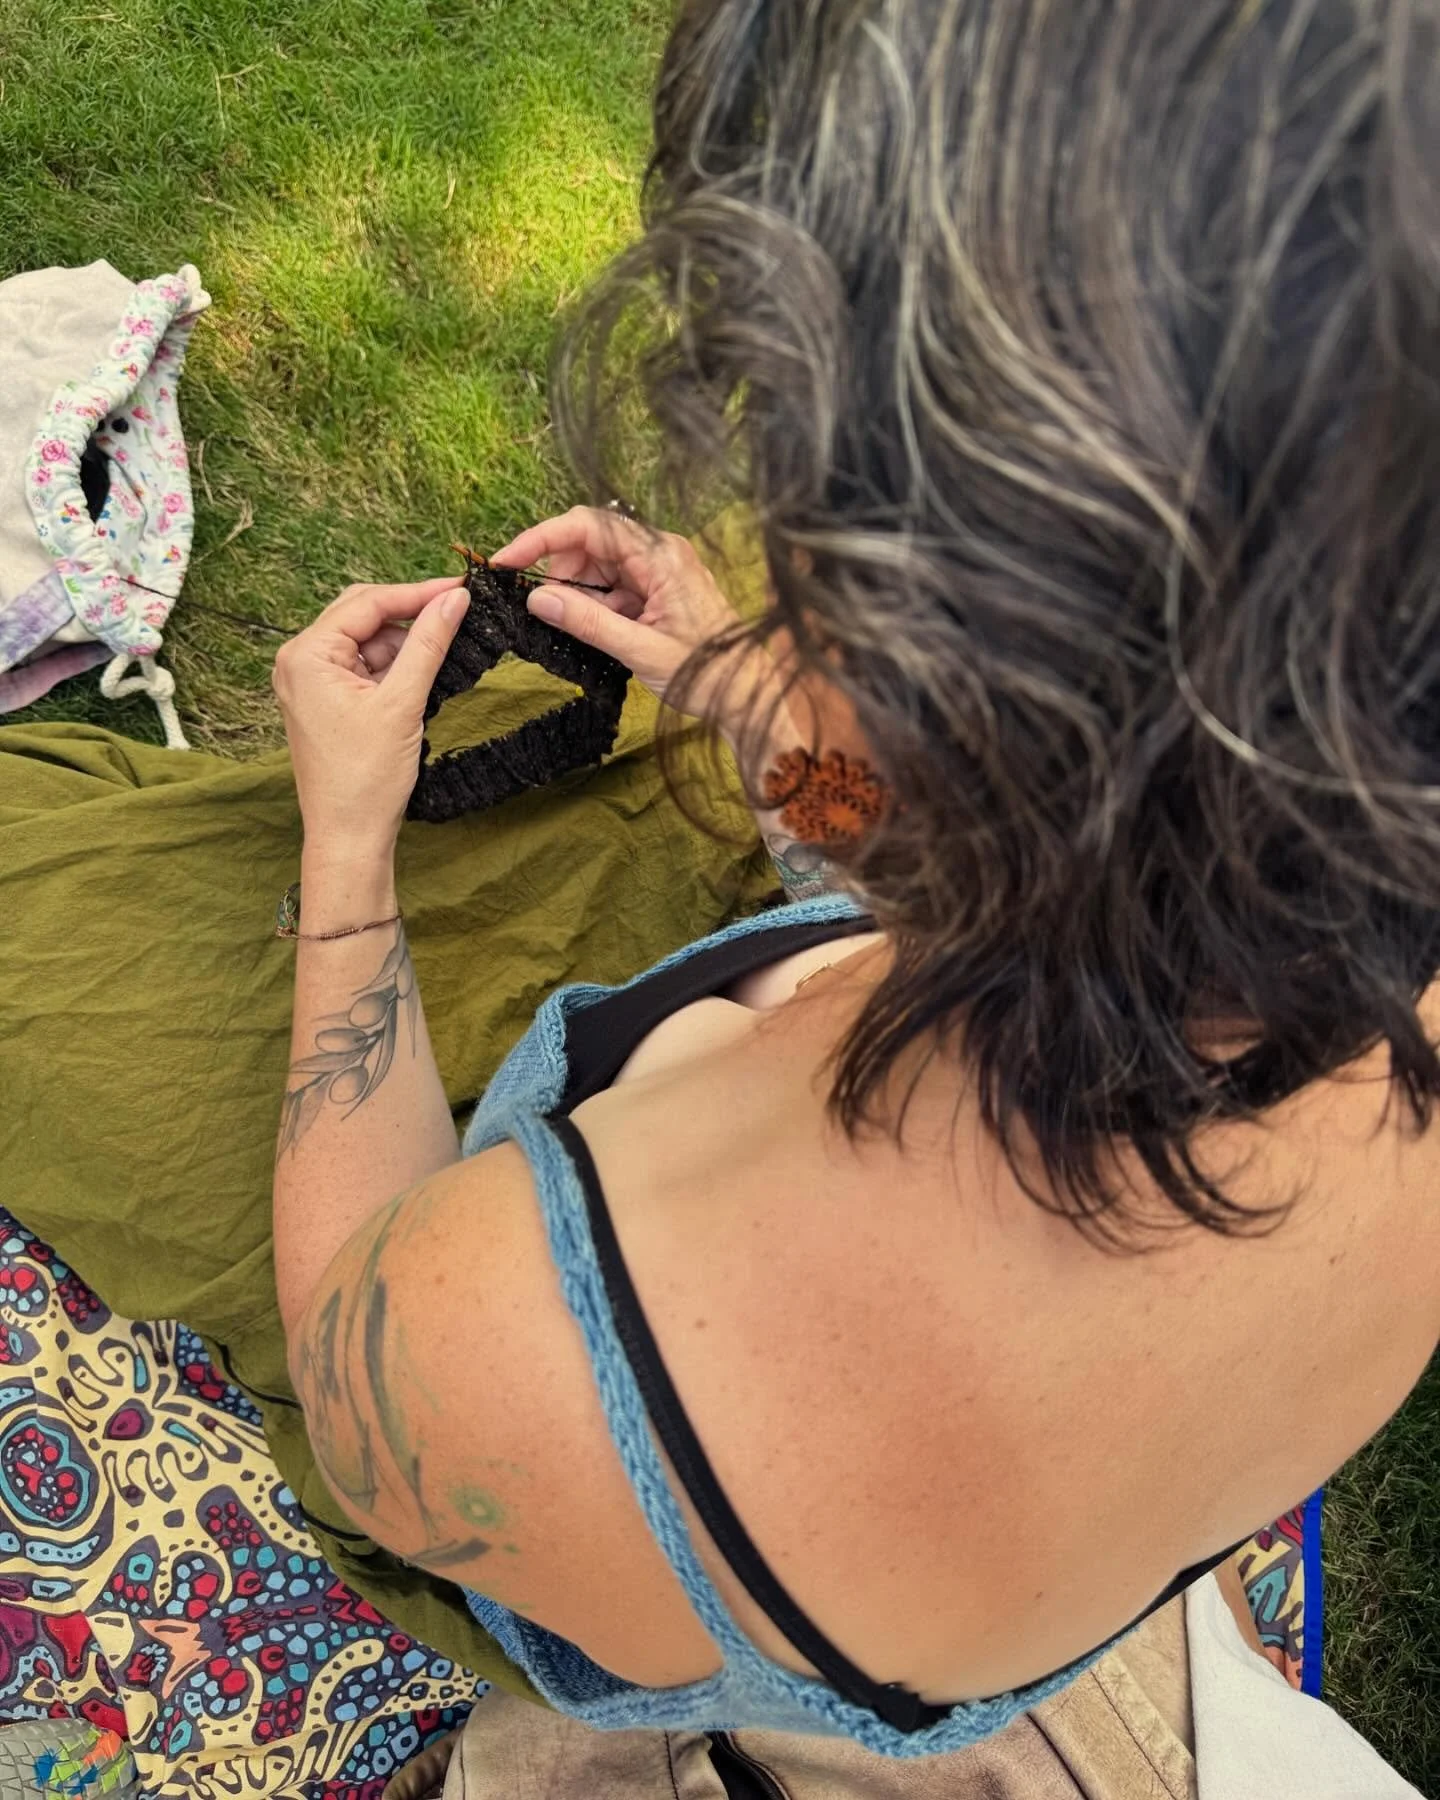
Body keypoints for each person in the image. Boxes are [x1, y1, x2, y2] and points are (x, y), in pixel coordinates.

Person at [239, 0, 1440, 1762]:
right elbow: (1099, 894)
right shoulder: (1353, 921)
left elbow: (356, 1327)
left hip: (640, 1531)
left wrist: (347, 863)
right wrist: (750, 695)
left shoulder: (519, 1355)